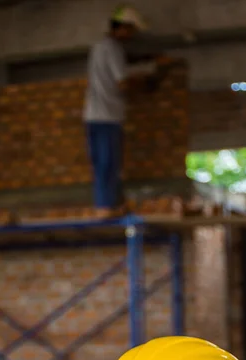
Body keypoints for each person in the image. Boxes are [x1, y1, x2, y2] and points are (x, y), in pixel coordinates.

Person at [84, 5, 148, 218]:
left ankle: (108, 204)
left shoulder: (98, 47)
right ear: (123, 27)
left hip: (93, 115)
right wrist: (146, 82)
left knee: (102, 163)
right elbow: (122, 82)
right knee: (109, 162)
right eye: (131, 31)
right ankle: (106, 207)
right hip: (108, 116)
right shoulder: (113, 48)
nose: (131, 36)